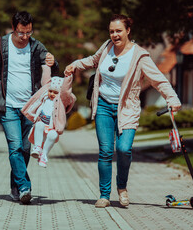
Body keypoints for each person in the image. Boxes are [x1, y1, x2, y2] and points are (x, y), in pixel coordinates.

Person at [65, 14, 181, 208]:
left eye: (119, 30)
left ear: (128, 31)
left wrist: (172, 98)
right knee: (105, 151)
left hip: (127, 109)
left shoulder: (140, 56)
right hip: (103, 105)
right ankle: (104, 195)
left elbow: (157, 79)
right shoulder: (106, 47)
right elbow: (93, 60)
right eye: (111, 31)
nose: (115, 35)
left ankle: (122, 187)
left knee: (124, 149)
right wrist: (75, 65)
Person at [0, 11, 59, 204]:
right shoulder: (0, 45)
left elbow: (53, 69)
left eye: (28, 32)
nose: (25, 37)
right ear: (13, 28)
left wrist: (54, 62)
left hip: (31, 108)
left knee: (26, 149)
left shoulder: (36, 46)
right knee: (15, 147)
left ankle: (15, 186)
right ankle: (25, 187)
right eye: (21, 33)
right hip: (8, 106)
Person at [22, 68, 76, 168]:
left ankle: (44, 155)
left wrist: (68, 76)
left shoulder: (61, 101)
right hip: (41, 126)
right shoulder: (44, 98)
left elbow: (66, 91)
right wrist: (47, 66)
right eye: (50, 91)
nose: (52, 94)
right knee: (39, 124)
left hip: (51, 127)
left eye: (55, 92)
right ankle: (37, 148)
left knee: (53, 135)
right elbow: (45, 80)